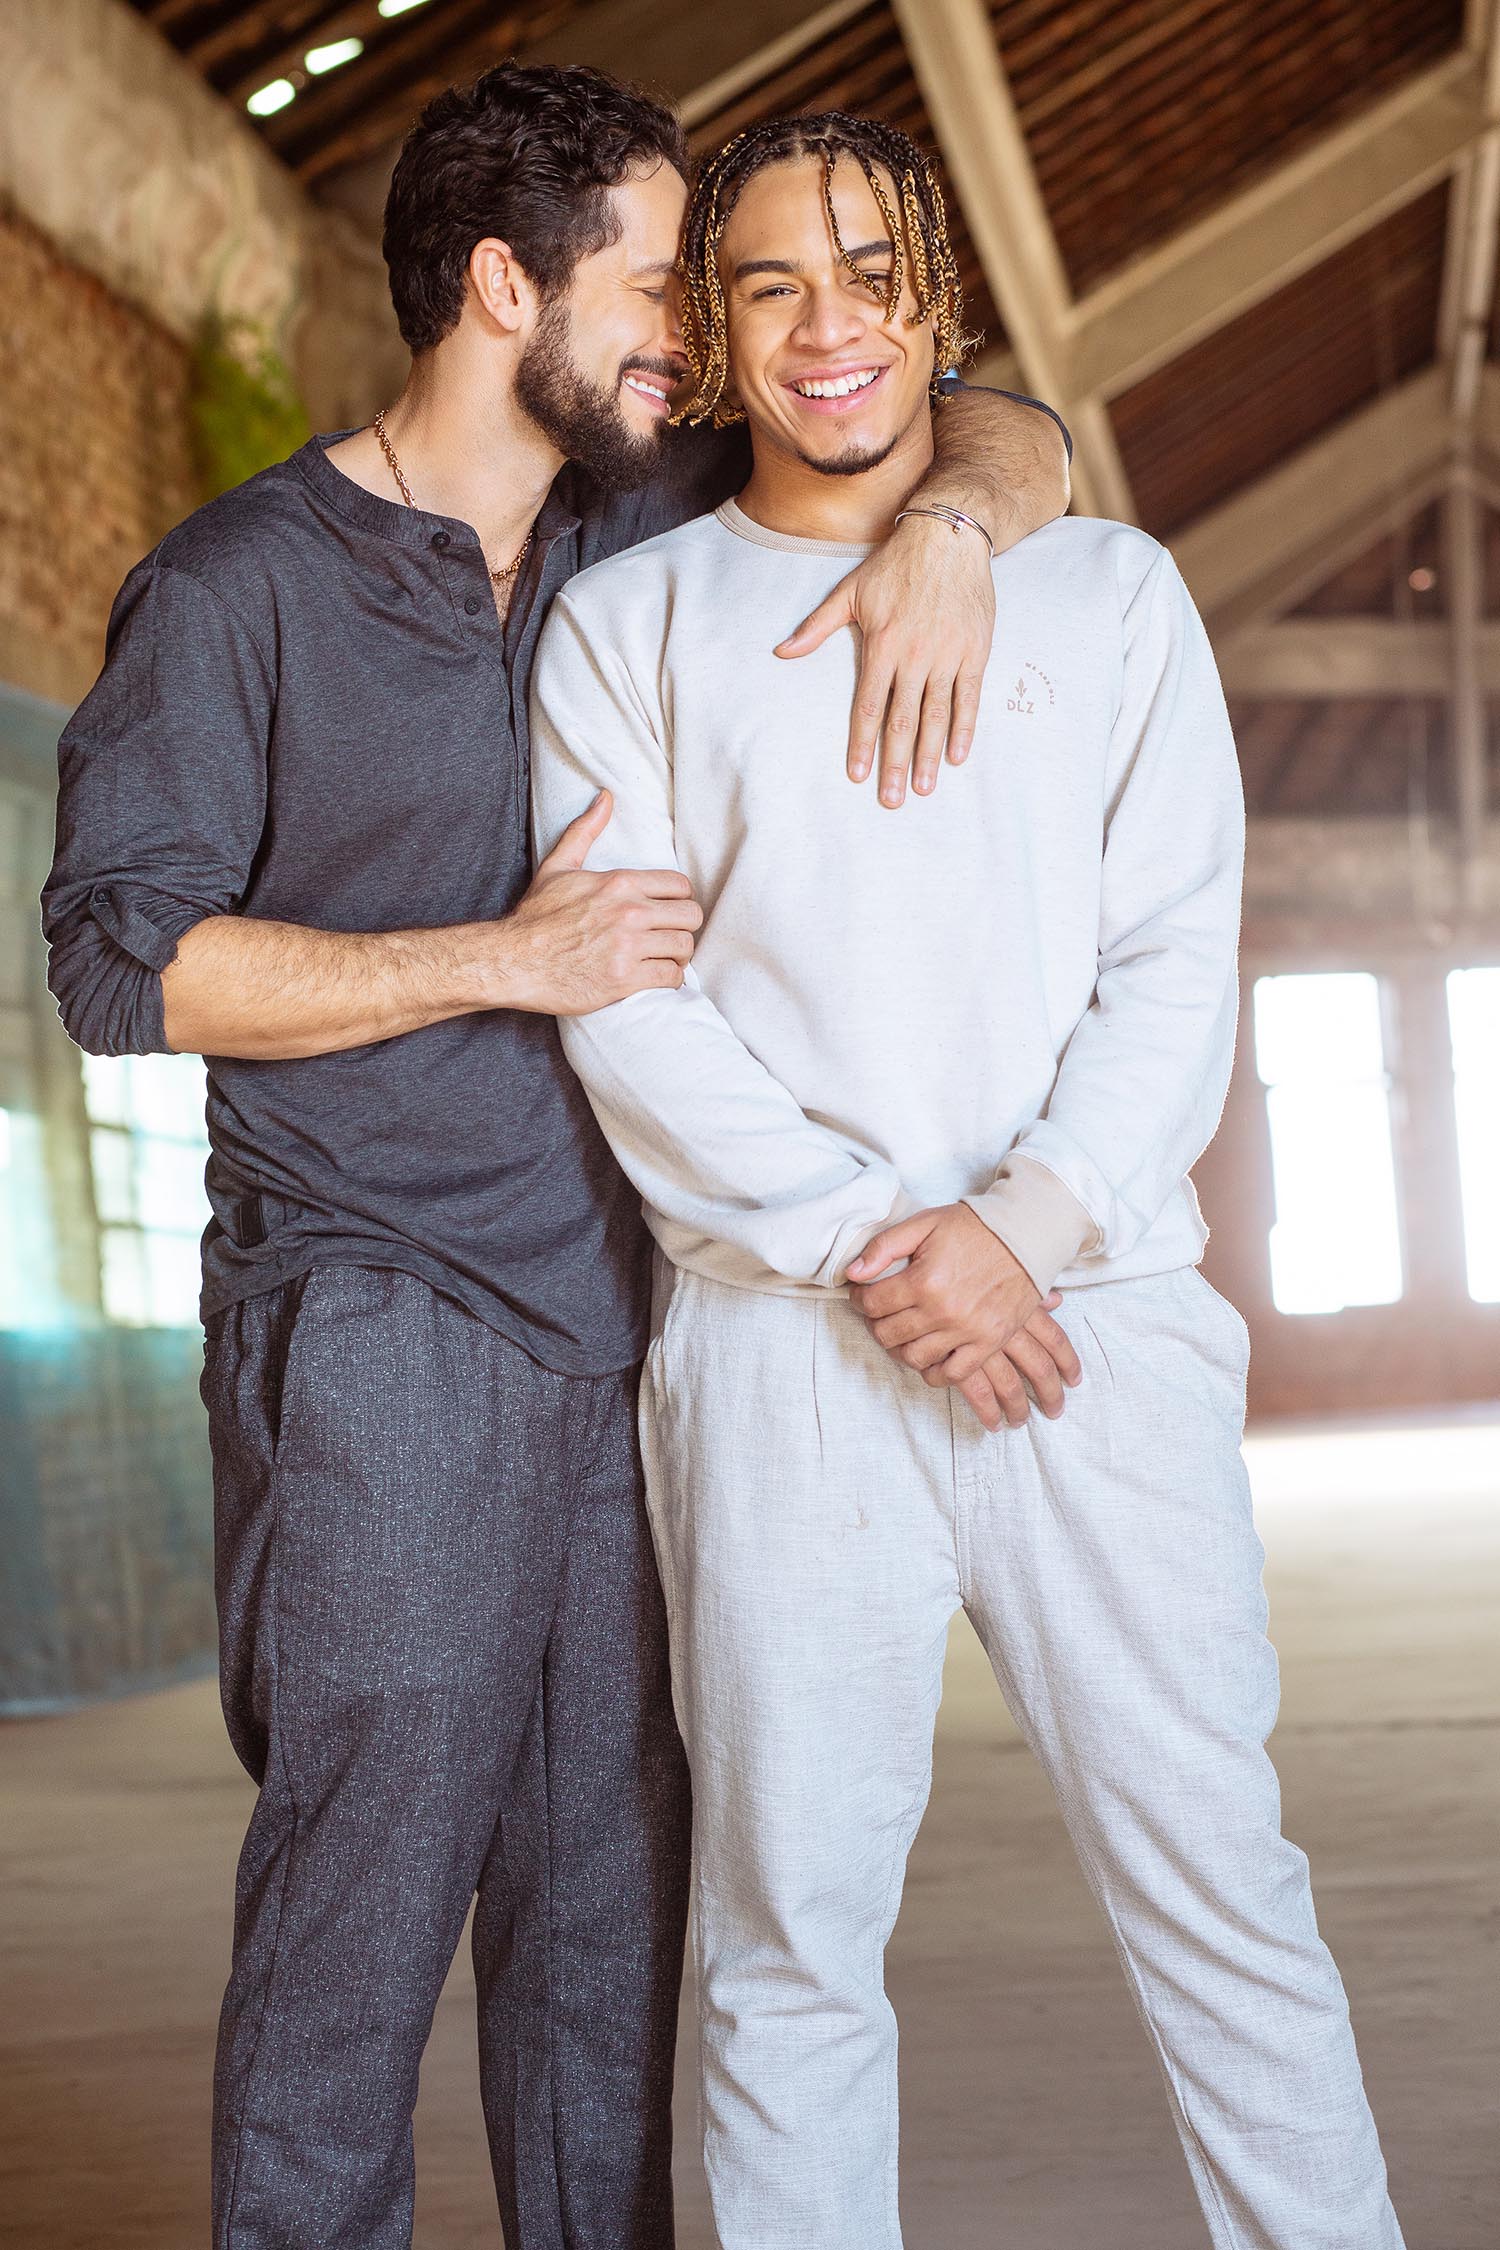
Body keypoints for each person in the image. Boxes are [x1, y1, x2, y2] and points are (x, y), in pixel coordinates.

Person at [40, 60, 1069, 2250]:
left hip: (634, 1328)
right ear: (501, 284)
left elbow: (989, 414)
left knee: (610, 1945)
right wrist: (498, 957)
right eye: (650, 287)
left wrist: (963, 532)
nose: (696, 336)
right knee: (357, 1932)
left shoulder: (636, 513)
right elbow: (124, 968)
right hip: (378, 1319)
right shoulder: (236, 593)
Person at [528, 109, 1405, 2250]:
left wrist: (1014, 1235)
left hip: (1092, 1332)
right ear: (721, 335)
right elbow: (623, 1005)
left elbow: (1175, 960)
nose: (829, 327)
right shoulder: (626, 628)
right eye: (768, 285)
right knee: (789, 1936)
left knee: (1222, 1892)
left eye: (869, 274)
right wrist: (875, 1250)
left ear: (943, 304)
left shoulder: (1107, 593)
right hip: (781, 1357)